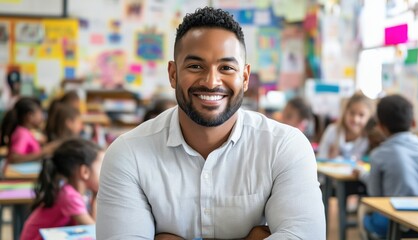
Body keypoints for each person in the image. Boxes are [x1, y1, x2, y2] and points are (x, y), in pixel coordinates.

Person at [97, 7, 325, 239]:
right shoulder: (128, 154)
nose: (211, 81)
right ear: (173, 74)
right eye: (196, 66)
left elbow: (304, 235)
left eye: (226, 67)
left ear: (244, 78)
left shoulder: (284, 146)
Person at [355, 94, 418, 239]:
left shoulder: (378, 154)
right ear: (413, 123)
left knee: (364, 213)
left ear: (380, 127)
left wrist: (362, 174)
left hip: (393, 221)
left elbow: (374, 195)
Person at [20, 138, 104, 240]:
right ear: (85, 172)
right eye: (103, 167)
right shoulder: (69, 196)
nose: (106, 173)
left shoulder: (73, 192)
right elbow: (94, 230)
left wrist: (95, 197)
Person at [317, 93, 373, 161]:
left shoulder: (368, 139)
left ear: (369, 117)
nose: (355, 119)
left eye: (361, 115)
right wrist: (330, 158)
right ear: (345, 112)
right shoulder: (332, 131)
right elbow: (320, 157)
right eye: (352, 113)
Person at [3, 97, 60, 164]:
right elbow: (14, 158)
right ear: (30, 116)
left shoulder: (25, 131)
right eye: (40, 112)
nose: (42, 116)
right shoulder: (22, 133)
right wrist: (43, 152)